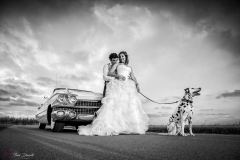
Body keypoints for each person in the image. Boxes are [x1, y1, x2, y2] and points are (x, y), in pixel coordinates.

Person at [77, 51, 149, 136]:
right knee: (116, 105)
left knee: (128, 106)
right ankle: (115, 126)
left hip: (128, 86)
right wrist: (118, 76)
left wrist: (137, 85)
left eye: (123, 56)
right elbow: (109, 73)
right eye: (120, 56)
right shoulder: (117, 65)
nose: (121, 58)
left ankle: (129, 127)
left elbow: (133, 77)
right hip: (118, 85)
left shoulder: (130, 67)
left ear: (126, 57)